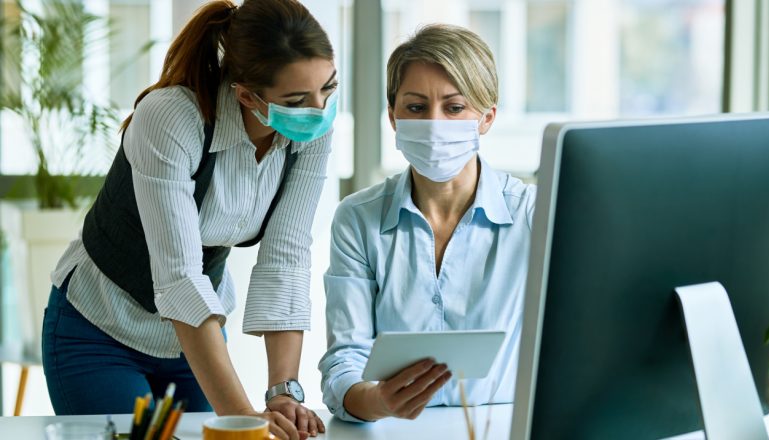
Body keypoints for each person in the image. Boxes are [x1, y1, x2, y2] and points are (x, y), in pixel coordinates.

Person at [42, 1, 333, 438]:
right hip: (99, 329)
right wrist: (245, 422)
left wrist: (283, 392)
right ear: (247, 95)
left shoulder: (308, 133)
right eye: (296, 100)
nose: (319, 110)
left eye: (328, 89)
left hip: (188, 343)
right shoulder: (172, 117)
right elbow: (179, 278)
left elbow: (285, 259)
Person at [319, 24, 536, 422]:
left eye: (454, 108)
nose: (435, 124)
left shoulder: (534, 215)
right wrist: (376, 401)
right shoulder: (357, 219)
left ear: (486, 118)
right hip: (392, 431)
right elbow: (344, 359)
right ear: (393, 116)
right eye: (416, 108)